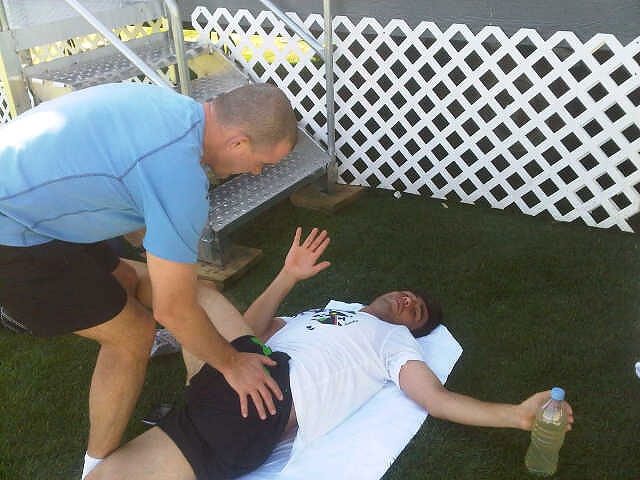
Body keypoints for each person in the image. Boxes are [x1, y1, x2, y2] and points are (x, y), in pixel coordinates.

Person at [88, 227, 575, 480]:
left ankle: (93, 273)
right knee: (198, 294)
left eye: (417, 311)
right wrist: (287, 277)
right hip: (232, 376)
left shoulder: (394, 343)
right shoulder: (323, 315)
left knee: (107, 476)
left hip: (260, 402)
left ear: (413, 330)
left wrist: (515, 415)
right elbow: (249, 331)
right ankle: (100, 277)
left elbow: (436, 399)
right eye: (409, 295)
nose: (409, 302)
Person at [0, 81, 298, 478]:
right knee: (134, 332)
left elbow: (123, 182)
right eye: (260, 162)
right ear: (239, 142)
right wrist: (231, 363)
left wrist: (153, 246)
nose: (257, 172)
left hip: (37, 204)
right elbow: (173, 309)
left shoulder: (170, 108)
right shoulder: (180, 179)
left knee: (126, 279)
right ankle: (97, 467)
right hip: (12, 229)